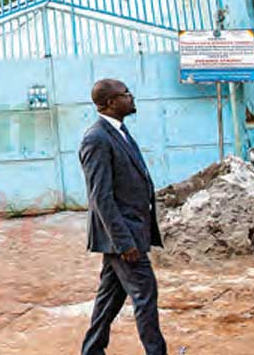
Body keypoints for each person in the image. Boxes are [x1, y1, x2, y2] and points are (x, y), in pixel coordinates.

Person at [80, 79, 167, 355]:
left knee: (110, 297)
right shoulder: (96, 138)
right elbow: (101, 197)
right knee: (145, 294)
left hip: (131, 231)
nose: (131, 97)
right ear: (109, 103)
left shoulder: (118, 132)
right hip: (123, 236)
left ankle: (92, 350)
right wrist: (123, 242)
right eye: (124, 94)